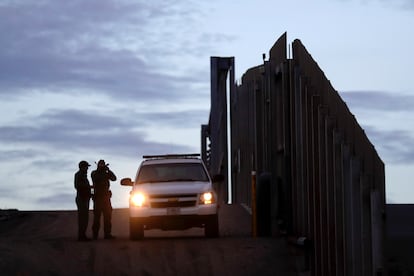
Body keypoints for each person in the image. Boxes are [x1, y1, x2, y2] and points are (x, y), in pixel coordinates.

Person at [91, 159, 117, 239]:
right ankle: (95, 235)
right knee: (97, 218)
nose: (102, 166)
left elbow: (114, 178)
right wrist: (102, 171)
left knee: (107, 217)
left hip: (106, 198)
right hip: (98, 198)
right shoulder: (94, 173)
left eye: (103, 164)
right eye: (100, 164)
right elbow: (95, 179)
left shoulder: (106, 173)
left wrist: (108, 170)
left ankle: (107, 234)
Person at [74, 160, 92, 241]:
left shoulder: (83, 175)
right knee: (82, 218)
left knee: (85, 218)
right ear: (82, 167)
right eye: (86, 167)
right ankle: (81, 236)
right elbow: (78, 186)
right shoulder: (79, 175)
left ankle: (82, 235)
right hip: (82, 198)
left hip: (85, 198)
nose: (87, 168)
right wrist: (88, 188)